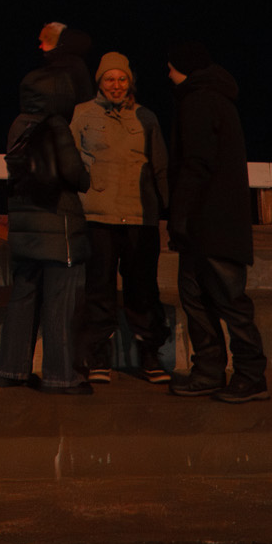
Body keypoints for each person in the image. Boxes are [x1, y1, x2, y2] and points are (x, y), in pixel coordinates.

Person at [165, 41, 270, 402]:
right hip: (210, 224)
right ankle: (210, 372)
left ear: (183, 68)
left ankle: (249, 375)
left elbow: (196, 164)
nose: (168, 74)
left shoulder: (198, 101)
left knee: (225, 300)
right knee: (198, 298)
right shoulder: (213, 98)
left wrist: (178, 216)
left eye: (170, 67)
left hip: (211, 224)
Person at [0, 25, 94, 394]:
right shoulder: (56, 125)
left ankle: (12, 370)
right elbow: (74, 175)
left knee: (22, 298)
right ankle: (59, 375)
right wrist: (87, 174)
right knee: (60, 302)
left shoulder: (18, 125)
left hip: (23, 226)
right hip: (58, 226)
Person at [71, 51, 171, 383]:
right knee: (98, 290)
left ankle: (149, 355)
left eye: (122, 78)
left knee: (143, 290)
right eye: (109, 79)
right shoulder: (82, 114)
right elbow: (70, 163)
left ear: (130, 82)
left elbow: (160, 167)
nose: (116, 85)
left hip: (140, 219)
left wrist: (170, 211)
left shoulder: (147, 117)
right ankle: (98, 355)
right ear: (99, 82)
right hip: (97, 218)